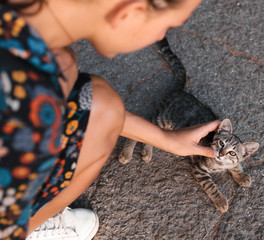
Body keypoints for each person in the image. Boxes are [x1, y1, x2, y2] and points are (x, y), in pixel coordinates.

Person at [0, 0, 220, 239]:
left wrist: (166, 139)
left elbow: (104, 111)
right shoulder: (27, 106)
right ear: (130, 12)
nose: (160, 34)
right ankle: (25, 227)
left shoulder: (28, 34)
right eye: (167, 26)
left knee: (99, 101)